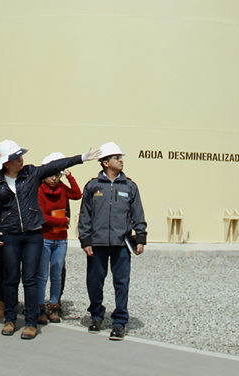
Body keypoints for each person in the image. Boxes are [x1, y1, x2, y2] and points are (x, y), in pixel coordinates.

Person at [0, 140, 100, 340]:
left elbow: (54, 166)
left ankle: (31, 322)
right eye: (15, 157)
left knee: (30, 279)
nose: (20, 160)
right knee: (11, 279)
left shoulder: (31, 173)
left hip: (32, 234)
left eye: (20, 156)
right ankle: (10, 319)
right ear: (5, 162)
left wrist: (81, 158)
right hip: (10, 235)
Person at [77, 142, 147, 341]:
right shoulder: (93, 186)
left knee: (122, 283)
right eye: (116, 157)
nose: (121, 160)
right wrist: (85, 240)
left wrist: (140, 237)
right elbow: (85, 216)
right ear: (105, 162)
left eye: (120, 157)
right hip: (97, 244)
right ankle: (97, 315)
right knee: (94, 282)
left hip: (121, 243)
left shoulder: (130, 186)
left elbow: (138, 214)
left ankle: (119, 322)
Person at [37, 152, 82, 324]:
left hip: (61, 239)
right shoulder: (40, 190)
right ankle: (40, 305)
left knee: (57, 275)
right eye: (51, 174)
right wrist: (63, 220)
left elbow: (77, 194)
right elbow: (42, 216)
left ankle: (54, 305)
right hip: (45, 238)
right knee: (42, 276)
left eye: (57, 174)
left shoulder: (62, 188)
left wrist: (70, 176)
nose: (54, 178)